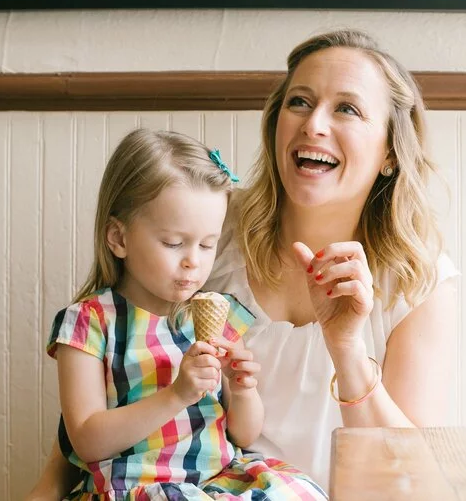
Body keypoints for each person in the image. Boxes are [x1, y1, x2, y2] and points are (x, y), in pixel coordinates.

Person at [27, 28, 458, 499]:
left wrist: (347, 347)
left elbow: (412, 483)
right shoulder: (210, 233)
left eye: (347, 109)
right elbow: (112, 375)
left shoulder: (419, 281)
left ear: (392, 150)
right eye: (299, 101)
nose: (313, 124)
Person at [41, 128, 327, 500]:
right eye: (174, 243)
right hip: (136, 486)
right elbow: (87, 441)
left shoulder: (216, 317)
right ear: (119, 238)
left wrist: (243, 392)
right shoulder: (89, 323)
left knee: (297, 491)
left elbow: (244, 435)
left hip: (219, 479)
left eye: (208, 244)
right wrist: (177, 394)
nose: (194, 261)